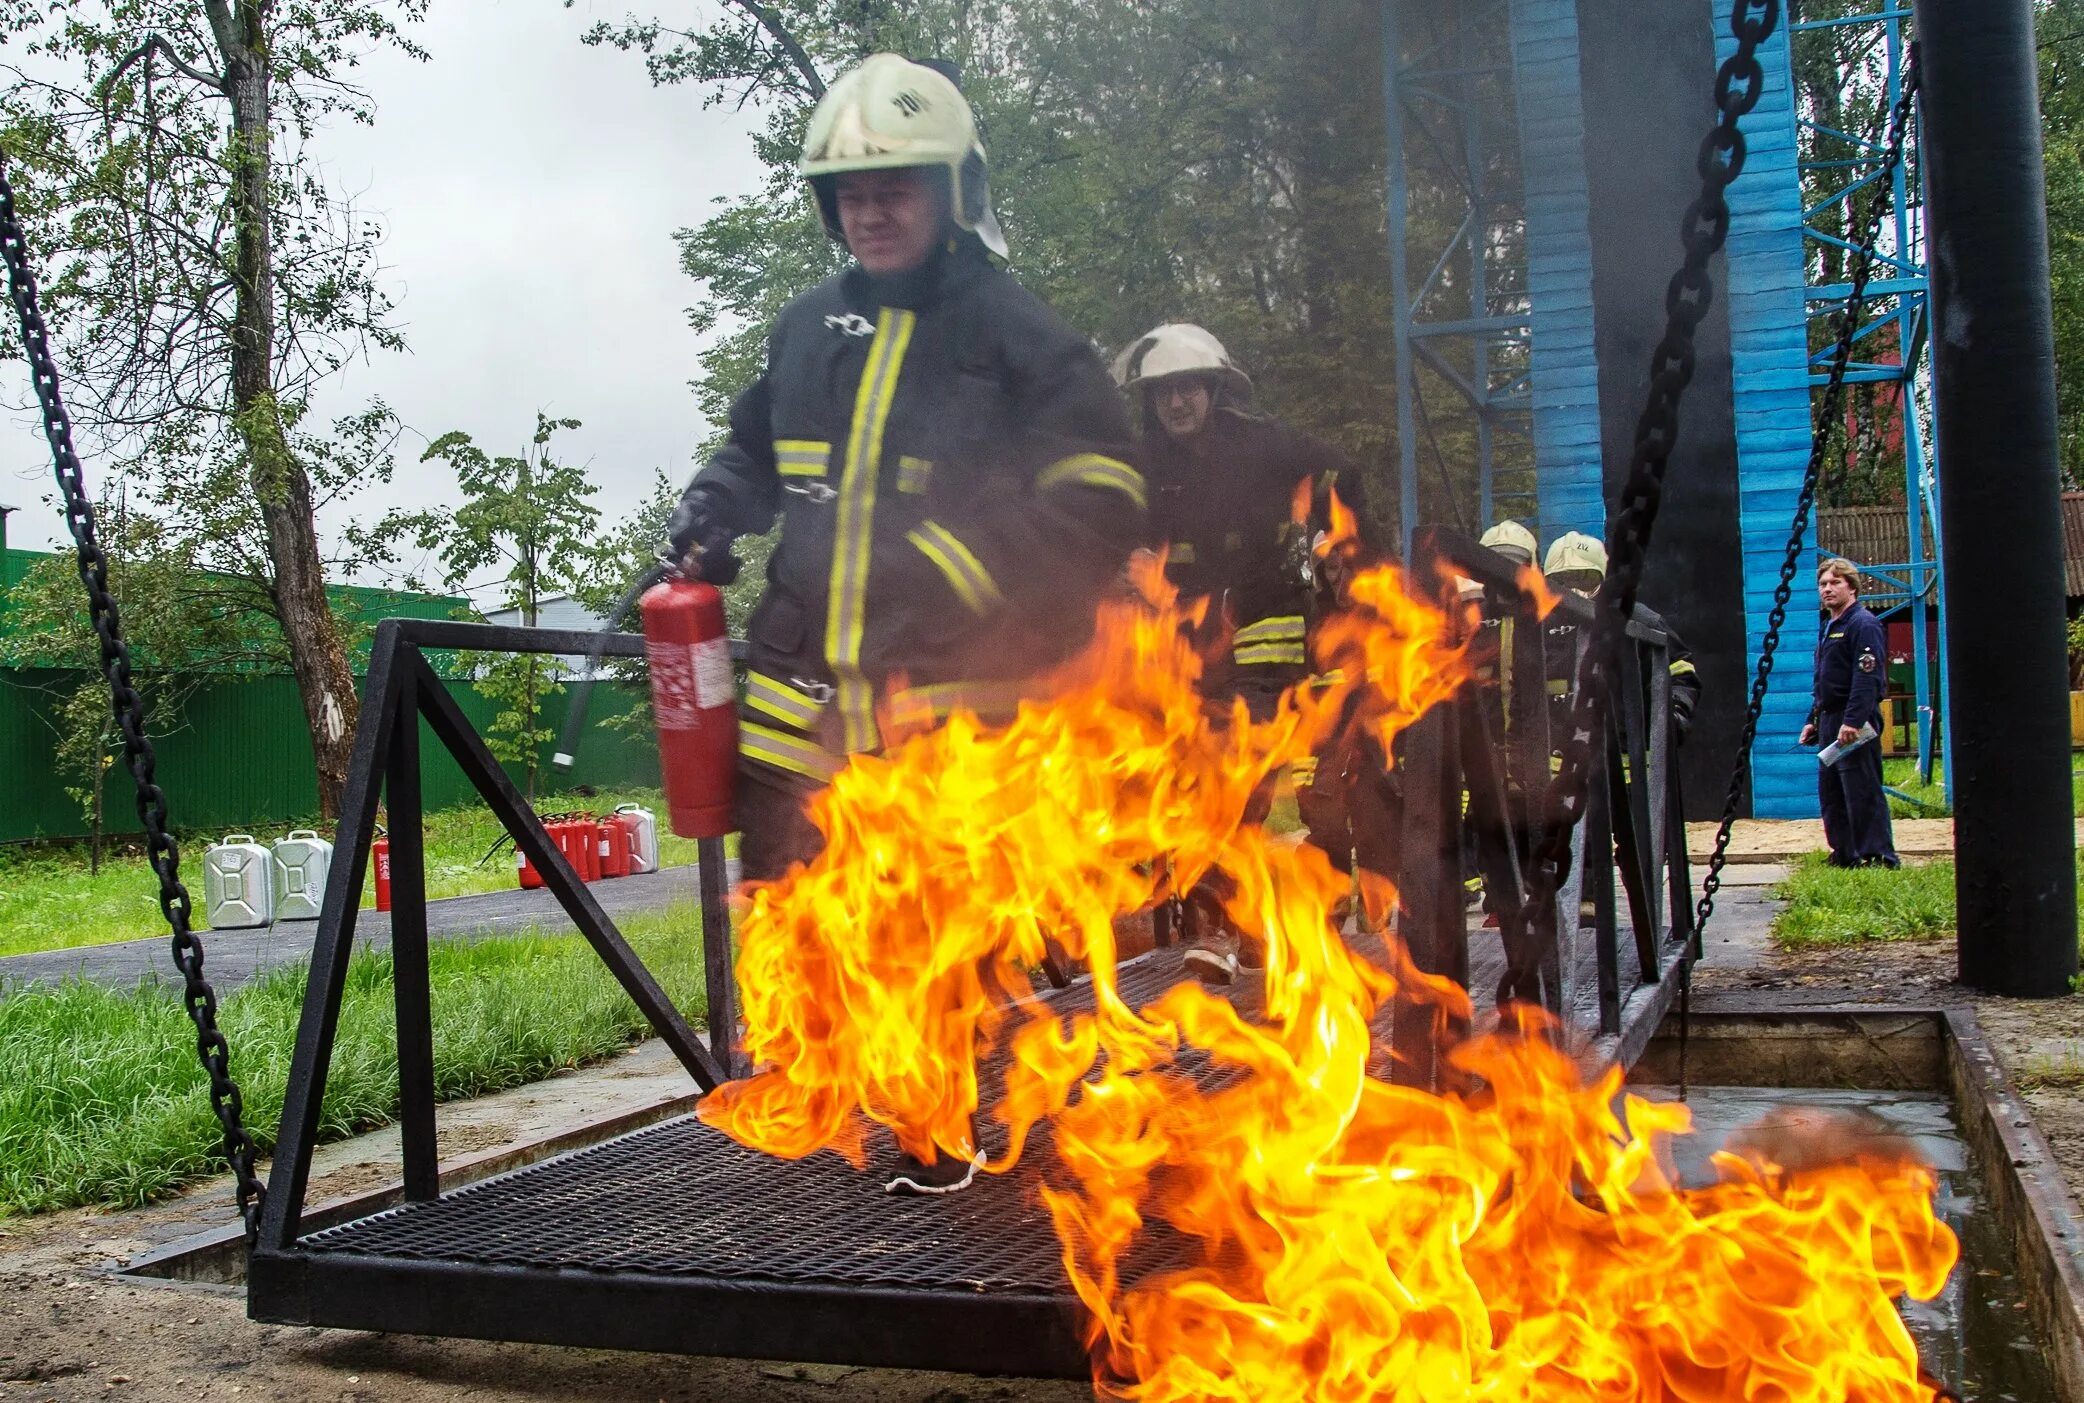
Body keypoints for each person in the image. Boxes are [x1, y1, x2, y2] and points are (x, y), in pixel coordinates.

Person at [665, 54, 1146, 1193]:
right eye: (851, 194)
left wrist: (944, 567)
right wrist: (713, 507)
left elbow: (1106, 497)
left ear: (953, 192)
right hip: (796, 702)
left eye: (895, 190)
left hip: (945, 705)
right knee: (790, 912)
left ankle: (944, 1136)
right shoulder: (806, 329)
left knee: (938, 937)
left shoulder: (1016, 334)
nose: (870, 213)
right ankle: (811, 1121)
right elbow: (751, 450)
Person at [1114, 322, 1375, 982]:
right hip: (1192, 642)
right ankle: (1249, 924)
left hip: (1268, 624)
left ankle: (1224, 921)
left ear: (1214, 390)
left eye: (1189, 389)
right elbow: (1107, 522)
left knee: (1236, 762)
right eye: (1164, 393)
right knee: (1189, 775)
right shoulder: (1145, 466)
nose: (1177, 403)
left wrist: (1356, 552)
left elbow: (1343, 472)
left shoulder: (1265, 445)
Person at [1801, 557, 1900, 868]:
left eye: (1835, 582)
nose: (1827, 589)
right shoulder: (1829, 626)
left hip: (1854, 718)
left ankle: (1878, 855)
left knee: (1861, 788)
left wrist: (1853, 721)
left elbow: (1866, 677)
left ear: (1852, 587)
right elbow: (1824, 679)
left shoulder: (1863, 624)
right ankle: (1845, 853)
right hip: (1829, 717)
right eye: (1823, 584)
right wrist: (1813, 720)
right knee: (1832, 791)